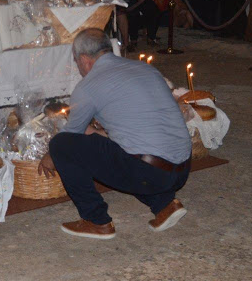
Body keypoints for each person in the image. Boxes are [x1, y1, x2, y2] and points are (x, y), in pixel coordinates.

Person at [39, 28, 191, 239]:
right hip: (182, 168)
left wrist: (50, 155)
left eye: (76, 61)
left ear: (84, 60)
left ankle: (96, 221)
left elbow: (71, 136)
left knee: (61, 144)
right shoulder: (145, 69)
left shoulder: (88, 86)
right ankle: (165, 204)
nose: (78, 66)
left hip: (150, 173)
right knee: (128, 152)